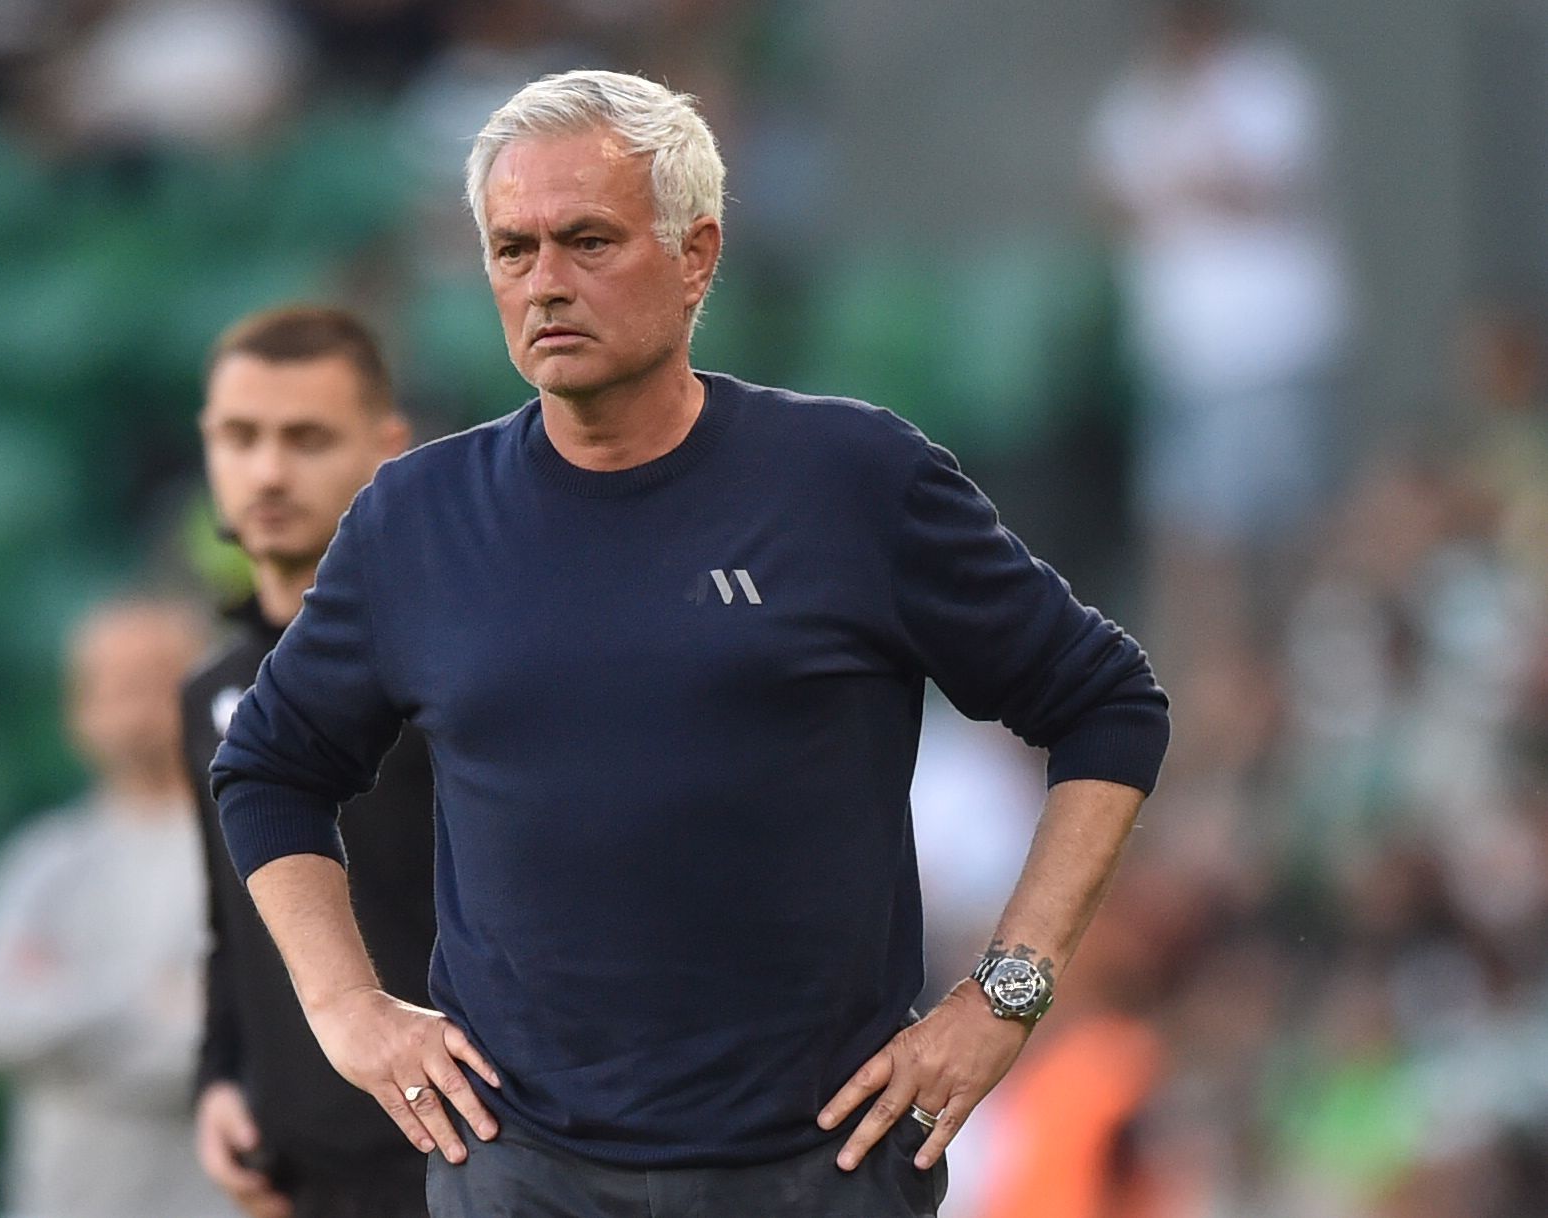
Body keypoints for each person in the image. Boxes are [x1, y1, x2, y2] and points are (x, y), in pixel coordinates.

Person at [212, 70, 1170, 1218]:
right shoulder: (413, 520)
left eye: (587, 241)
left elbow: (1108, 705)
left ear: (697, 254)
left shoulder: (852, 482)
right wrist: (344, 1009)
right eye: (512, 250)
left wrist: (1003, 996)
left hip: (822, 1166)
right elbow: (269, 769)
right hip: (522, 1171)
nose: (545, 283)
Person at [184, 305, 435, 1218]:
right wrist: (219, 1078)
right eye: (239, 437)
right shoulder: (207, 690)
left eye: (307, 437)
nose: (267, 471)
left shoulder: (453, 669)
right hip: (296, 1183)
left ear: (387, 446)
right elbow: (231, 925)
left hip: (461, 1166)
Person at [1087, 0, 1348, 674]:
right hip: (1180, 357)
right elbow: (1110, 199)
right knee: (1191, 542)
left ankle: (1290, 682)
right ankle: (1207, 693)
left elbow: (1256, 183)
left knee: (1282, 533)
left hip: (1261, 350)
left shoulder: (1265, 82)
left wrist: (1183, 178)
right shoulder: (1136, 98)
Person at [0, 598, 230, 1218]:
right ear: (78, 709)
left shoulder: (250, 855)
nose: (131, 707)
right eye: (111, 686)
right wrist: (149, 998)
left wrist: (69, 1025)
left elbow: (231, 1040)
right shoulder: (43, 863)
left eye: (153, 682)